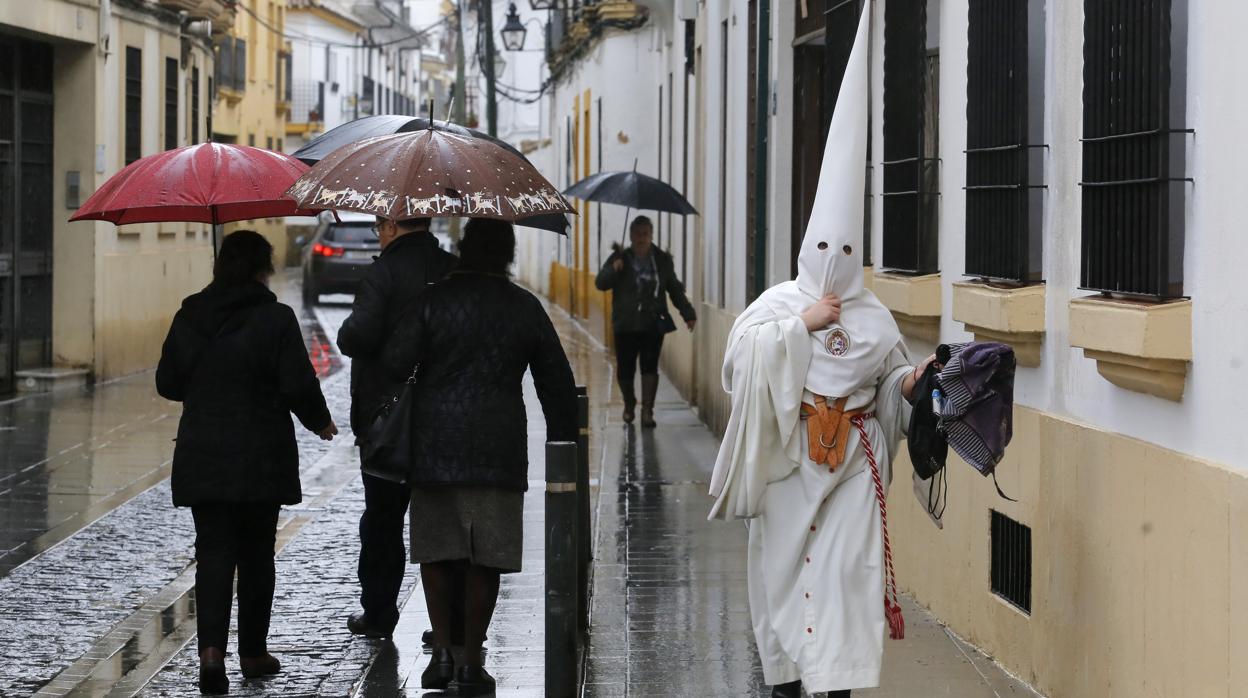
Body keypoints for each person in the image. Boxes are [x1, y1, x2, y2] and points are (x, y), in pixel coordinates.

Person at [707, 10, 936, 697]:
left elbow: (891, 373)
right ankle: (787, 677)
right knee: (783, 574)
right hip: (790, 462)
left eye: (846, 252)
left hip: (853, 472)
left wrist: (910, 382)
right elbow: (737, 366)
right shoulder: (777, 306)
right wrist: (799, 328)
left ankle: (834, 683)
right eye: (824, 250)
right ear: (808, 249)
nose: (835, 262)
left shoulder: (873, 315)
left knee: (845, 577)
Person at [384, 218, 577, 695]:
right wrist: (563, 443)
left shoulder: (432, 300)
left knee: (437, 548)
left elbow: (393, 362)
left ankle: (442, 655)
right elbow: (555, 379)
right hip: (497, 445)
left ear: (465, 249)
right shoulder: (523, 306)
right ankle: (472, 660)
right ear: (508, 254)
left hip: (435, 441)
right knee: (484, 556)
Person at [156, 230, 337, 695]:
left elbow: (168, 383)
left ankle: (210, 655)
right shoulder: (275, 318)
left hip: (205, 452)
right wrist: (320, 422)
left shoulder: (191, 312)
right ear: (263, 269)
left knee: (213, 553)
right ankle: (253, 653)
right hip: (262, 455)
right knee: (257, 555)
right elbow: (297, 382)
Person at [336, 216, 457, 640]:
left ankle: (380, 612)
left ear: (390, 226)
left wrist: (347, 333)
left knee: (383, 522)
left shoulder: (382, 272)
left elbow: (359, 336)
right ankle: (447, 622)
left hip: (386, 419)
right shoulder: (451, 269)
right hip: (444, 417)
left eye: (378, 225)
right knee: (444, 522)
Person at [594, 215, 696, 427]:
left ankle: (647, 411)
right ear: (631, 235)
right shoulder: (619, 257)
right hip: (625, 324)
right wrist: (614, 269)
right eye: (637, 234)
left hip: (652, 323)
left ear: (651, 235)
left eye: (645, 234)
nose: (641, 238)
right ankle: (630, 404)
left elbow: (674, 288)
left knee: (649, 367)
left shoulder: (661, 260)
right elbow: (600, 283)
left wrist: (688, 313)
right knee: (625, 369)